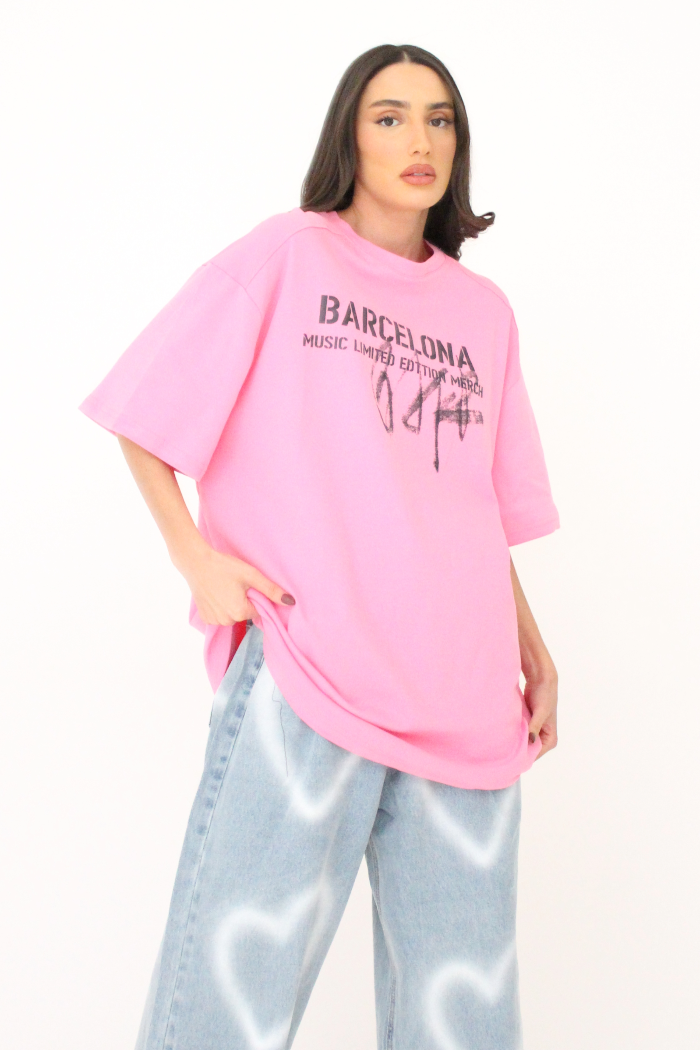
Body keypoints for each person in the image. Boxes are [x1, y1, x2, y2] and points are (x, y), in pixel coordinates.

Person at [80, 42, 559, 1050]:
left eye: (438, 119)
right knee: (226, 1007)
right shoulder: (288, 257)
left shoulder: (482, 313)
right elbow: (144, 412)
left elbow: (470, 502)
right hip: (311, 675)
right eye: (389, 117)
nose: (419, 139)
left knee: (463, 1021)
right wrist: (195, 561)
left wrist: (530, 643)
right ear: (350, 134)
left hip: (464, 697)